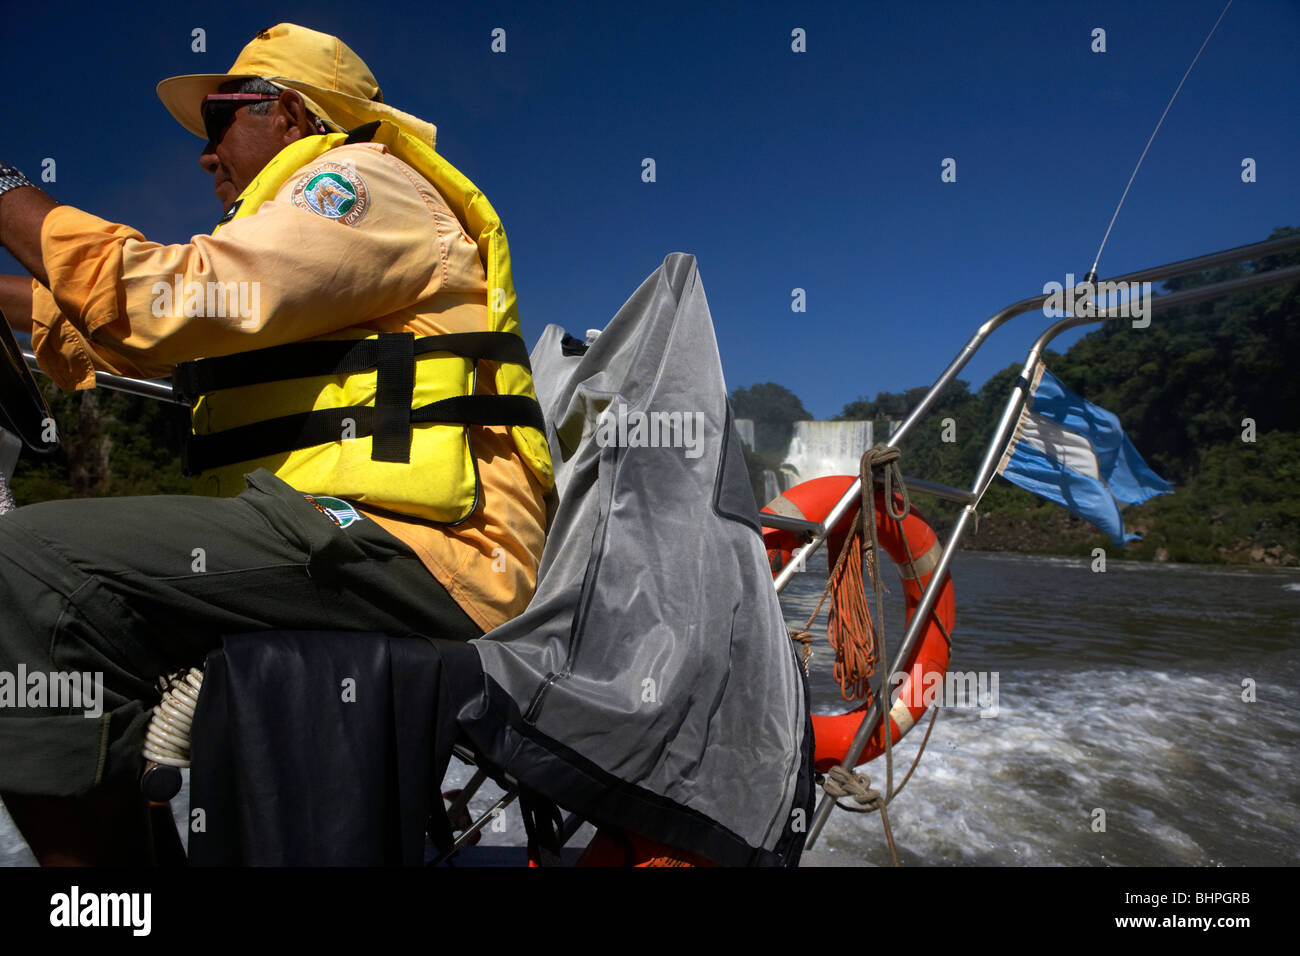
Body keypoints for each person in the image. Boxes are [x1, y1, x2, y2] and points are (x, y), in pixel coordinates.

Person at [0, 24, 552, 865]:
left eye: (219, 117)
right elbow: (107, 333)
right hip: (342, 538)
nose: (204, 153)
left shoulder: (358, 186)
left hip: (424, 553)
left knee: (24, 565)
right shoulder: (296, 248)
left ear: (290, 113)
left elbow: (160, 304)